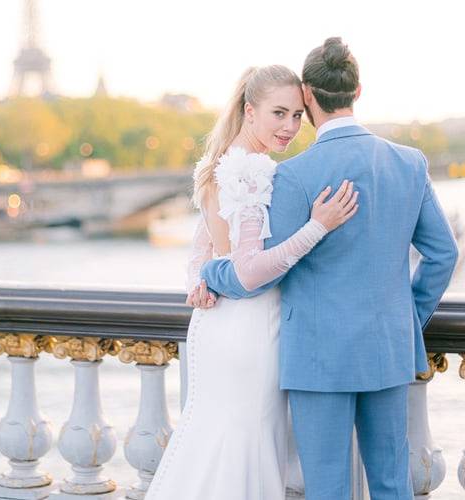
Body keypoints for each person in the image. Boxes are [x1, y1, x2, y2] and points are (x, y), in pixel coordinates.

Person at [201, 38, 459, 500]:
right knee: (391, 484)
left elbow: (265, 271)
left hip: (317, 358)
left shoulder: (293, 175)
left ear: (307, 95)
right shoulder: (409, 163)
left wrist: (209, 274)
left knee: (327, 490)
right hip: (388, 348)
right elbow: (443, 255)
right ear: (358, 91)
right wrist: (407, 319)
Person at [145, 64, 357, 500]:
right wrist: (317, 226)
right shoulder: (255, 172)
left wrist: (196, 278)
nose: (291, 127)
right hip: (251, 328)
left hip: (216, 325)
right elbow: (247, 270)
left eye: (298, 116)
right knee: (250, 444)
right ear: (249, 110)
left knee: (214, 438)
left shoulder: (219, 164)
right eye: (279, 113)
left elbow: (203, 246)